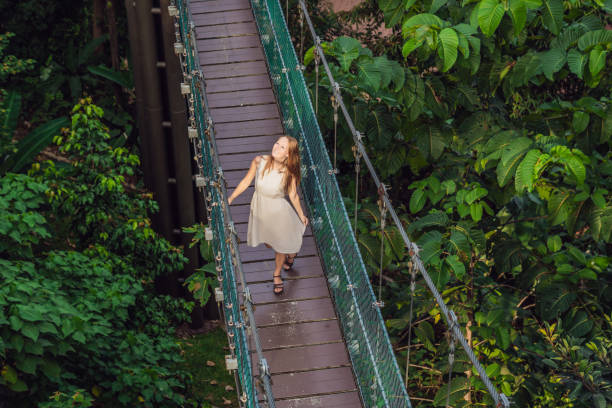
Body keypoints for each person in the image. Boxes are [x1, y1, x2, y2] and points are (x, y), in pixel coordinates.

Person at [227, 135, 308, 295]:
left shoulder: (289, 173)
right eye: (277, 143)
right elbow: (246, 182)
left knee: (278, 246)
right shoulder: (259, 161)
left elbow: (293, 196)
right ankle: (290, 254)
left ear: (288, 155)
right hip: (260, 210)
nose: (276, 147)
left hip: (279, 213)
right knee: (269, 243)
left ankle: (276, 274)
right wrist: (231, 198)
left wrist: (301, 215)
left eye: (282, 147)